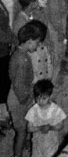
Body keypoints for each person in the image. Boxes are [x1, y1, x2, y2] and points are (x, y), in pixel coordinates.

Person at [8, 22, 42, 157]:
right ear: (29, 41)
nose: (38, 45)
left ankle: (24, 146)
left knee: (25, 125)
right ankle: (17, 154)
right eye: (37, 42)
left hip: (19, 96)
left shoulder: (20, 53)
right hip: (18, 99)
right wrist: (27, 100)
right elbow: (19, 85)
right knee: (21, 130)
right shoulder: (22, 60)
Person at [25, 79, 66, 157]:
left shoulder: (55, 109)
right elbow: (29, 128)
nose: (40, 101)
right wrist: (40, 128)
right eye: (37, 98)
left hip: (51, 144)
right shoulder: (33, 109)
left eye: (44, 98)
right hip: (37, 145)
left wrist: (50, 127)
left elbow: (61, 125)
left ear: (50, 96)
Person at [0, 0, 15, 128]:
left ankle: (2, 115)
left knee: (4, 82)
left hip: (4, 49)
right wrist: (12, 38)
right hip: (1, 50)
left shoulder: (1, 4)